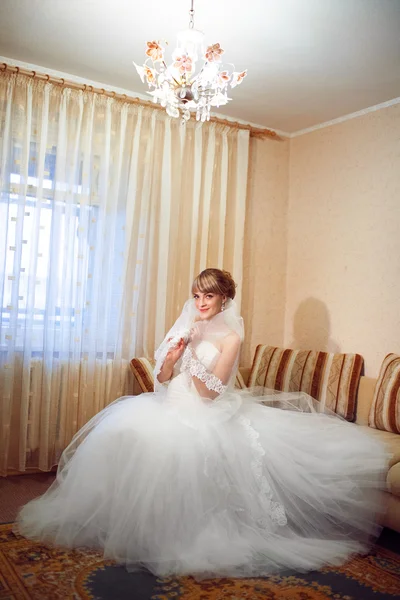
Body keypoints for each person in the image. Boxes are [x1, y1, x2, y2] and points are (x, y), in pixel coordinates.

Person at [16, 268, 389, 579]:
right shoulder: (189, 324)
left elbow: (209, 394)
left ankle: (175, 536)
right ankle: (129, 524)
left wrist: (192, 353)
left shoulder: (231, 337)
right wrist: (173, 354)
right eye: (196, 296)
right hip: (170, 401)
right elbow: (162, 377)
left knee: (180, 452)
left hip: (207, 412)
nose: (200, 304)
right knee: (122, 434)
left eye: (208, 297)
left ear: (224, 299)